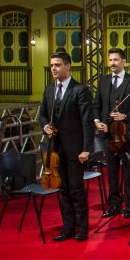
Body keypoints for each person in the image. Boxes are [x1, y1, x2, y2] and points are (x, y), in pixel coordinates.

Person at [40, 52, 94, 242]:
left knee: (76, 189)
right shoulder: (49, 90)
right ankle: (67, 228)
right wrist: (45, 126)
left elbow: (87, 122)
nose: (53, 68)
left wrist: (87, 148)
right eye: (52, 65)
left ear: (68, 66)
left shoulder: (80, 90)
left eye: (57, 65)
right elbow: (43, 115)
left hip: (76, 149)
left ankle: (82, 229)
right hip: (56, 149)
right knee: (63, 190)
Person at [93, 48, 130, 219]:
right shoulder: (103, 81)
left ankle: (129, 205)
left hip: (128, 133)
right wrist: (97, 121)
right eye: (110, 60)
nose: (112, 63)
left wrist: (125, 115)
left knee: (128, 171)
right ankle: (114, 205)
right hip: (109, 134)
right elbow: (96, 105)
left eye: (115, 60)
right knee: (112, 170)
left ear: (123, 61)